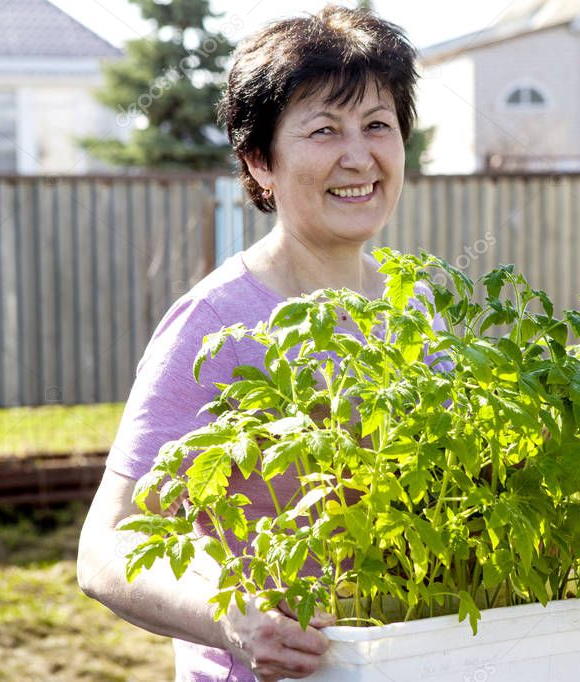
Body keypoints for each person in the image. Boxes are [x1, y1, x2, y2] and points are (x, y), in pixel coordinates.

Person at [77, 5, 420, 681]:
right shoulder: (216, 323)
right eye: (324, 129)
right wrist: (232, 617)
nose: (359, 156)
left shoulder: (417, 305)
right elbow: (105, 549)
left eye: (377, 125)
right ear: (260, 162)